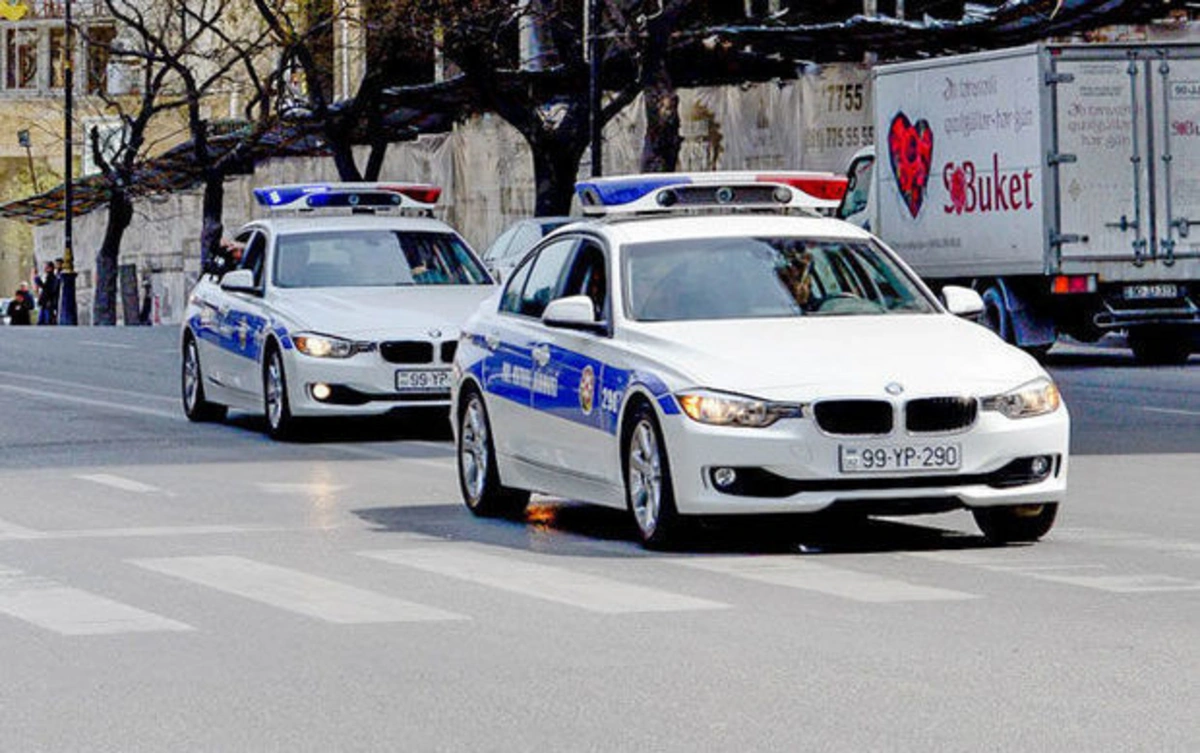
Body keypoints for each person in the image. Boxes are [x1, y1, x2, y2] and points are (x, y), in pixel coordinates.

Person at [34, 261, 59, 325]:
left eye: (47, 267)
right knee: (41, 320)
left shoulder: (52, 278)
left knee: (46, 321)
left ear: (51, 268)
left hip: (48, 302)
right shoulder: (48, 277)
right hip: (45, 302)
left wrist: (38, 281)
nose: (45, 268)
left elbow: (49, 289)